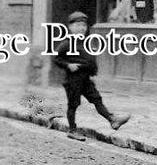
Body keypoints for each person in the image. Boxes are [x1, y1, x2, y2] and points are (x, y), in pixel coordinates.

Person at [52, 11, 130, 140]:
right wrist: (68, 65)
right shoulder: (66, 43)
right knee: (73, 104)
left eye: (84, 25)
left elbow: (89, 58)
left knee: (96, 98)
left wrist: (92, 71)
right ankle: (72, 130)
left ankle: (112, 120)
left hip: (85, 78)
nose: (81, 28)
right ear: (70, 27)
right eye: (78, 25)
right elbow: (57, 59)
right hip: (73, 79)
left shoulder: (85, 42)